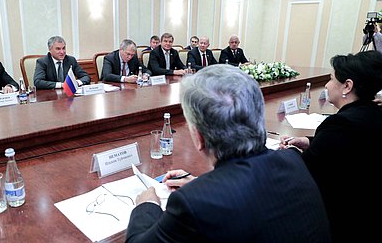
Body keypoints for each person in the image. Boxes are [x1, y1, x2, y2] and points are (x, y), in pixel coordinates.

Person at [126, 64, 331, 242]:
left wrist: (147, 205)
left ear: (198, 138)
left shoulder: (193, 203)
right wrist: (204, 185)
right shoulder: (292, 159)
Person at [279, 50, 382, 242]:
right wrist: (311, 142)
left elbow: (304, 171)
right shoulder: (372, 113)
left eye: (331, 78)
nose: (326, 85)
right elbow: (347, 147)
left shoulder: (340, 125)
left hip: (340, 222)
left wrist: (290, 151)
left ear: (347, 86)